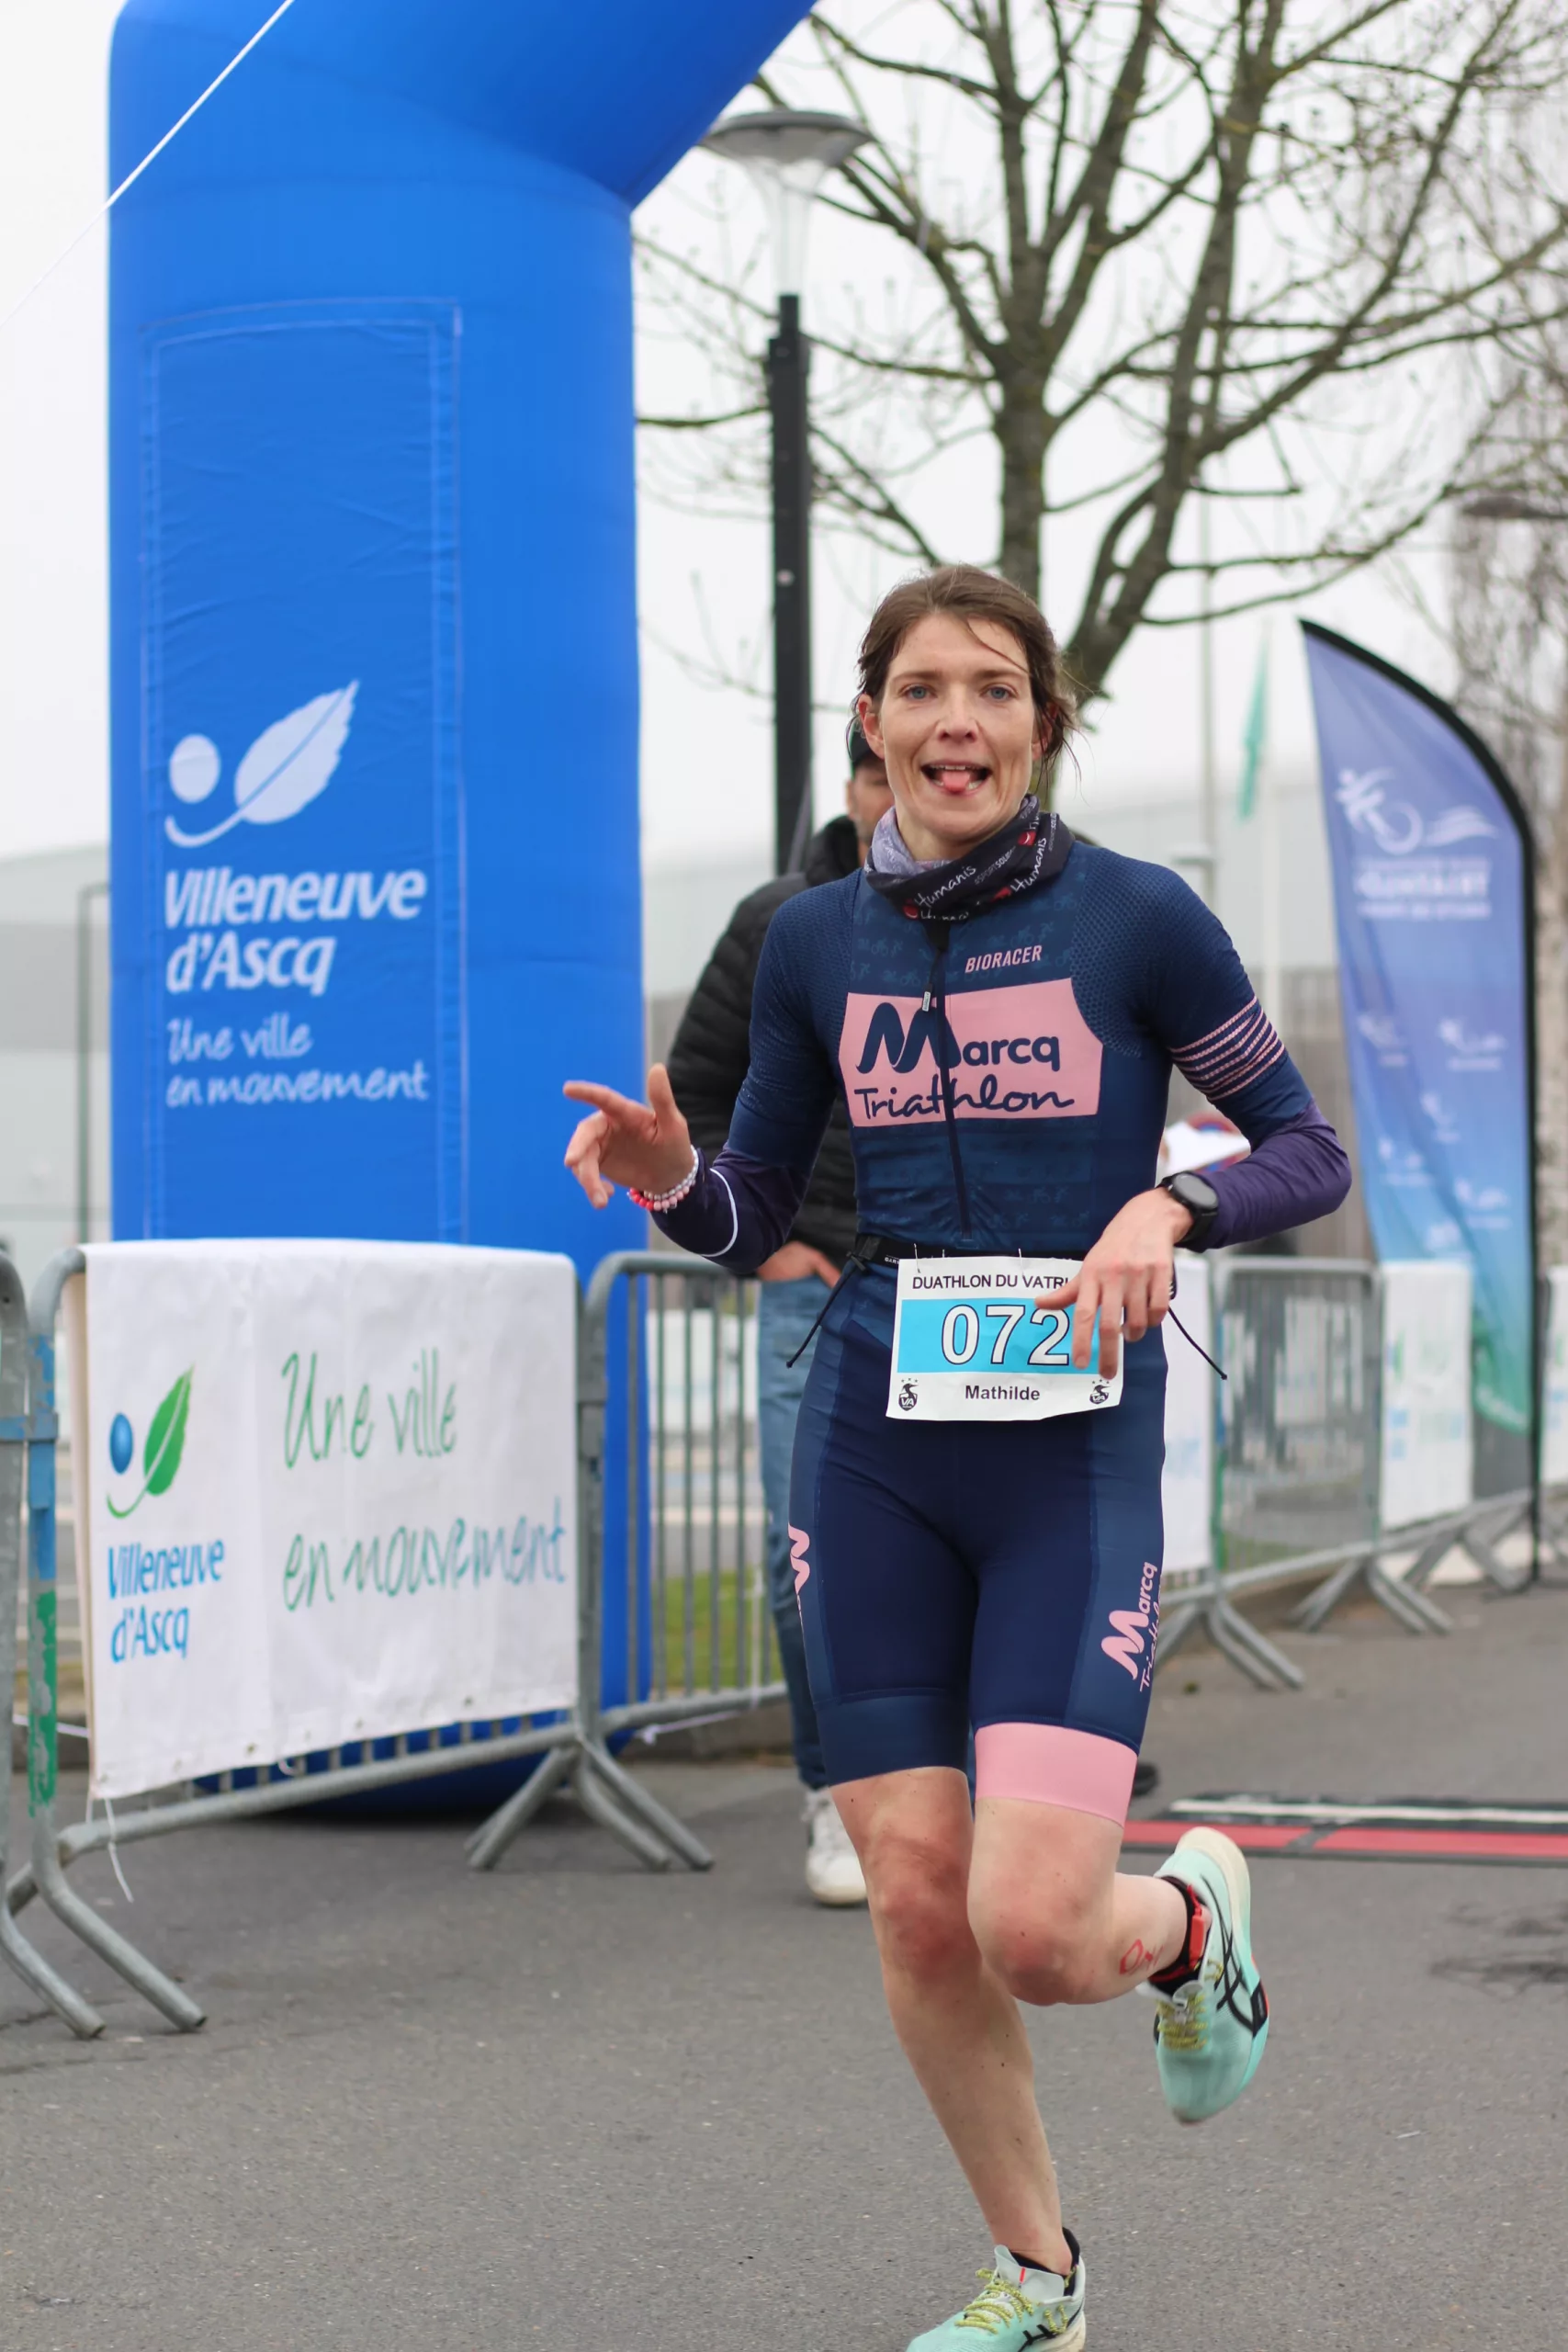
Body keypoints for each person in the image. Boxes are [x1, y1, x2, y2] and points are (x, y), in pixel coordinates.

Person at [565, 565, 1350, 2351]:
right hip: (873, 1439)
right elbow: (750, 1209)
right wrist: (674, 1175)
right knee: (919, 1901)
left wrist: (1169, 1202)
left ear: (1042, 724)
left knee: (1034, 1928)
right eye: (920, 690)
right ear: (873, 723)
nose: (955, 723)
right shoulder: (810, 942)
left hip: (1068, 1452)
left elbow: (1303, 1146)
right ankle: (1039, 2277)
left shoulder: (1138, 917)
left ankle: (1183, 1926)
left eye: (992, 689)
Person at [666, 723, 892, 1906]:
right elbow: (698, 1094)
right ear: (853, 783)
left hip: (964, 1294)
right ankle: (836, 1794)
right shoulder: (777, 922)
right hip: (812, 1290)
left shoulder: (1028, 916)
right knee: (804, 1552)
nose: (900, 789)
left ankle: (951, 1787)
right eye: (877, 768)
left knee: (961, 1547)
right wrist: (764, 1243)